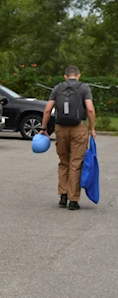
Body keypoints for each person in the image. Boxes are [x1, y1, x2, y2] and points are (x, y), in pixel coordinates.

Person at [41, 65, 96, 211]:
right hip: (79, 128)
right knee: (75, 163)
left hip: (60, 129)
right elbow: (90, 109)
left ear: (65, 76)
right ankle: (73, 200)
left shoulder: (57, 88)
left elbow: (48, 110)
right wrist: (92, 129)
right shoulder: (84, 88)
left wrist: (43, 128)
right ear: (79, 75)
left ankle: (63, 195)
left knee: (63, 162)